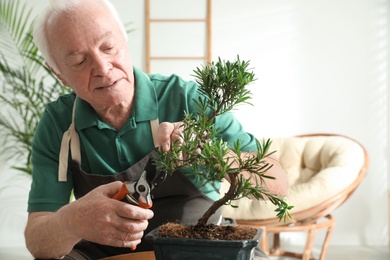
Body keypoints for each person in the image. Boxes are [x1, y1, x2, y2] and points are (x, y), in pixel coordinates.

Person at [24, 0, 288, 259]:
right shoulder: (58, 125)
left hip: (199, 245)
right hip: (100, 253)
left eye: (109, 47)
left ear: (124, 40)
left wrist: (213, 152)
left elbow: (278, 183)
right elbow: (38, 240)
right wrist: (72, 222)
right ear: (58, 72)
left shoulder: (185, 98)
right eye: (80, 61)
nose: (103, 68)